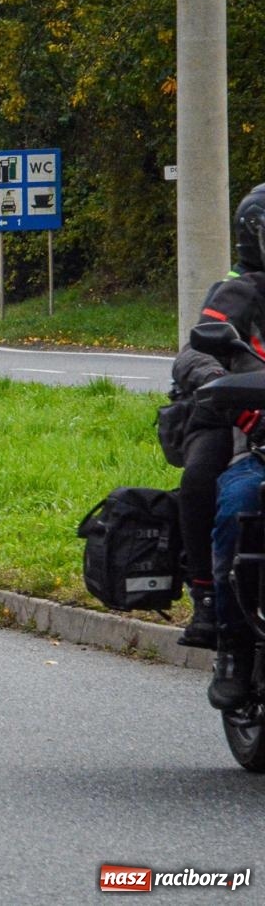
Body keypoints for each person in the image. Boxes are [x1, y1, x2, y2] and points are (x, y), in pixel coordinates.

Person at [191, 184, 265, 706]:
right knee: (240, 504)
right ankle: (233, 644)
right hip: (260, 444)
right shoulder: (239, 294)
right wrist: (238, 402)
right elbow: (197, 353)